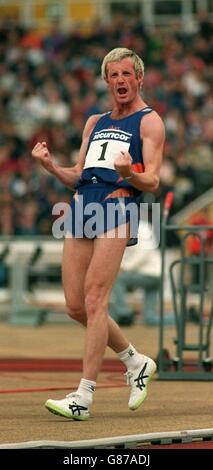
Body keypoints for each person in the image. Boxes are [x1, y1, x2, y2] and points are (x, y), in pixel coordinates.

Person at [32, 47, 165, 421]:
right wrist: (50, 167)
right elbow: (79, 172)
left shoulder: (149, 122)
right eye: (114, 76)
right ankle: (135, 361)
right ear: (106, 81)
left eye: (127, 74)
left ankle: (83, 397)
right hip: (81, 206)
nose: (120, 81)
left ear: (138, 78)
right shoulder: (95, 122)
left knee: (95, 299)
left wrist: (130, 175)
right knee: (76, 305)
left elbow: (152, 180)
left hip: (117, 206)